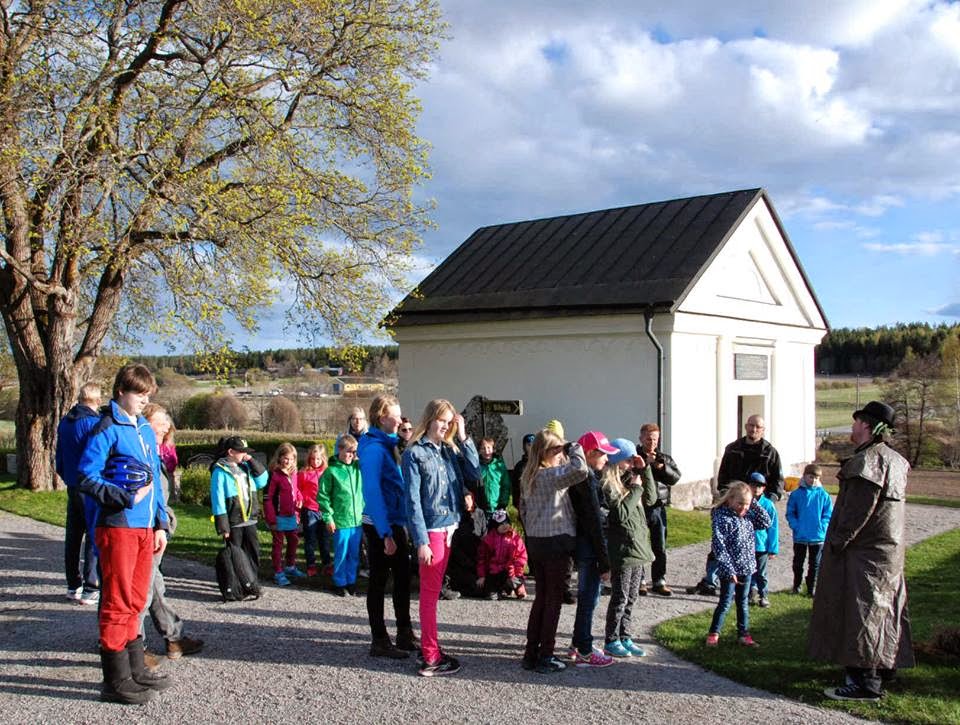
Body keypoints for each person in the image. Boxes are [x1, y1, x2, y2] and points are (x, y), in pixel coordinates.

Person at [77, 364, 171, 704]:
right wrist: (124, 497)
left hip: (145, 528)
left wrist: (160, 523)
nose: (144, 400)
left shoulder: (144, 428)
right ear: (120, 391)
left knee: (135, 599)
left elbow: (154, 478)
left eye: (148, 394)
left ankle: (135, 668)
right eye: (138, 393)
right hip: (118, 525)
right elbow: (86, 476)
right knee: (117, 601)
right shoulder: (107, 427)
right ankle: (115, 681)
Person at [809, 401, 913, 702]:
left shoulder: (867, 462)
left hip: (864, 554)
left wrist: (838, 542)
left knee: (862, 613)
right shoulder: (896, 461)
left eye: (856, 422)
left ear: (866, 425)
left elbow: (856, 512)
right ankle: (885, 668)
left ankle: (865, 682)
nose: (852, 427)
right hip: (887, 553)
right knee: (885, 610)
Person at [403, 398, 479, 677]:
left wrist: (464, 437)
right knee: (429, 596)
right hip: (432, 531)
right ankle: (431, 657)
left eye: (449, 421)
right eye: (441, 420)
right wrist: (421, 541)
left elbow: (474, 474)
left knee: (432, 594)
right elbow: (412, 501)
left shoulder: (448, 450)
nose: (445, 426)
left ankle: (430, 649)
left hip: (450, 528)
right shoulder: (415, 453)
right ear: (430, 419)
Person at [139, 405, 203, 667]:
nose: (166, 426)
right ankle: (134, 648)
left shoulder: (156, 452)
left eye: (167, 422)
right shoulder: (142, 452)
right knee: (143, 591)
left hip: (156, 528)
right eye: (160, 421)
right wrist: (159, 525)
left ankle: (173, 638)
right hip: (145, 530)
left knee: (154, 586)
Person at [691, 415, 784, 595]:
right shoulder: (733, 449)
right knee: (720, 545)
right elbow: (723, 476)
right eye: (751, 425)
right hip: (731, 504)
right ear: (746, 426)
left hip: (754, 506)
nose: (754, 429)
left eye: (758, 427)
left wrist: (768, 501)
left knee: (752, 548)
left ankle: (751, 586)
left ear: (763, 430)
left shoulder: (770, 452)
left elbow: (777, 481)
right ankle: (711, 581)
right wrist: (726, 498)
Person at [520, 430, 587, 673]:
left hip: (536, 541)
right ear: (546, 452)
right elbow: (581, 470)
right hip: (556, 541)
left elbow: (523, 511)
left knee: (541, 597)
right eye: (557, 450)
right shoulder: (551, 476)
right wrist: (573, 447)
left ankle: (531, 652)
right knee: (553, 601)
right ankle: (546, 654)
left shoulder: (528, 477)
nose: (561, 454)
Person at [357, 395, 418, 659]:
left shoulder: (390, 444)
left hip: (395, 520)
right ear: (382, 418)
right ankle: (379, 639)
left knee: (403, 579)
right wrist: (385, 534)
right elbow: (372, 492)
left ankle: (404, 632)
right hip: (381, 524)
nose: (401, 419)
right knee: (379, 582)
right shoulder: (373, 449)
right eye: (396, 415)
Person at [602, 438, 656, 658]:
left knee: (631, 597)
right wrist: (635, 489)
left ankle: (625, 636)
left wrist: (646, 471)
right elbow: (620, 515)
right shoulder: (610, 485)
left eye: (633, 461)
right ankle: (611, 639)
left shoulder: (632, 479)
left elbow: (651, 498)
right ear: (617, 461)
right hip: (623, 550)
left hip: (638, 547)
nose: (631, 464)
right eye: (628, 460)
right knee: (620, 597)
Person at [567, 431, 617, 668]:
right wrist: (604, 561)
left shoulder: (585, 477)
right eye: (603, 454)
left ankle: (578, 643)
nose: (606, 459)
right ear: (589, 453)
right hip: (589, 546)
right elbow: (594, 522)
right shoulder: (586, 480)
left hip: (585, 544)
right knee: (589, 599)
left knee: (588, 598)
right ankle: (585, 649)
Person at [704, 482, 771, 648]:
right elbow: (719, 547)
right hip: (729, 570)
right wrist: (728, 569)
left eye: (746, 504)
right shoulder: (722, 518)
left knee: (743, 602)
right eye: (740, 503)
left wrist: (753, 503)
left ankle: (743, 634)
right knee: (725, 602)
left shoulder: (748, 516)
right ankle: (713, 634)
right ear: (730, 500)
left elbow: (766, 522)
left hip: (746, 567)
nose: (743, 507)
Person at [56, 382, 102, 605]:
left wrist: (67, 477)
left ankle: (73, 584)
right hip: (90, 485)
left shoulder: (65, 422)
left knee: (73, 537)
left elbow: (59, 457)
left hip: (73, 484)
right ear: (97, 400)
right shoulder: (93, 424)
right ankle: (91, 586)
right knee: (93, 536)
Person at [210, 436, 269, 571]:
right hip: (234, 522)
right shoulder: (219, 472)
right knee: (235, 554)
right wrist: (223, 527)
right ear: (231, 452)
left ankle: (252, 578)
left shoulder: (247, 467)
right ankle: (236, 580)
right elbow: (218, 500)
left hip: (250, 520)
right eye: (242, 451)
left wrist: (251, 461)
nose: (245, 454)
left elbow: (262, 480)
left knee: (252, 553)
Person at [636, 423, 681, 596]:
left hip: (658, 506)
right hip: (638, 506)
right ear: (641, 438)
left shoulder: (663, 458)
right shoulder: (634, 456)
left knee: (659, 545)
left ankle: (659, 580)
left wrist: (661, 467)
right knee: (638, 543)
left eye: (655, 439)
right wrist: (642, 465)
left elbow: (675, 478)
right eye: (649, 439)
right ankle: (639, 580)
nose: (652, 443)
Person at [318, 434, 364, 596]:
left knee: (353, 554)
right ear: (340, 450)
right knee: (341, 554)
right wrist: (328, 518)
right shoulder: (331, 472)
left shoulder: (358, 468)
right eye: (348, 451)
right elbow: (323, 497)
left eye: (354, 452)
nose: (351, 455)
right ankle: (339, 582)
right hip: (341, 520)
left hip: (357, 521)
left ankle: (351, 581)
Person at [786, 463, 833, 596]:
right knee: (798, 562)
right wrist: (795, 526)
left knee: (815, 564)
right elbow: (790, 513)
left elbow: (828, 514)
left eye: (816, 478)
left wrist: (822, 526)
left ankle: (811, 587)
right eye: (811, 477)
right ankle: (797, 585)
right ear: (804, 476)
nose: (813, 480)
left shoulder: (824, 495)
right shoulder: (796, 494)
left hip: (817, 536)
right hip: (800, 535)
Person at [264, 443, 305, 586]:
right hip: (278, 516)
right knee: (278, 544)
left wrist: (299, 498)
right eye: (286, 458)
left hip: (291, 515)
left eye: (292, 459)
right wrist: (271, 519)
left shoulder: (293, 473)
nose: (289, 461)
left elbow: (295, 489)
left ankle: (290, 566)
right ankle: (278, 572)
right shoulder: (274, 475)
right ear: (279, 457)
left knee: (293, 540)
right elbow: (268, 498)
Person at [476, 509, 527, 600]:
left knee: (515, 580)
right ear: (495, 526)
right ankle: (499, 590)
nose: (504, 526)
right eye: (501, 524)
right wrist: (482, 576)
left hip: (510, 571)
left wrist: (518, 572)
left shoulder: (515, 538)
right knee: (491, 595)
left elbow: (521, 557)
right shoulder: (488, 540)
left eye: (506, 523)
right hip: (493, 573)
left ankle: (518, 588)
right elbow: (482, 559)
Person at [297, 443, 330, 577]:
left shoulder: (327, 472)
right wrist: (301, 499)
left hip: (324, 510)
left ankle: (327, 564)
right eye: (313, 459)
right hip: (310, 510)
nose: (315, 462)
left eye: (318, 459)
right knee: (310, 539)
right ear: (309, 459)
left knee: (324, 539)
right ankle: (311, 565)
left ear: (323, 459)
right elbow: (297, 489)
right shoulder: (304, 473)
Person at [747, 473, 778, 608]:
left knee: (761, 573)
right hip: (746, 545)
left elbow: (773, 527)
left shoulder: (768, 505)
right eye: (753, 485)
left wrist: (773, 548)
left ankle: (763, 595)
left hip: (761, 545)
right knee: (747, 572)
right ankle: (749, 594)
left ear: (764, 488)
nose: (756, 489)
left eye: (759, 486)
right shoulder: (744, 501)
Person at [475, 437, 511, 514]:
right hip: (482, 508)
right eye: (483, 448)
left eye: (489, 448)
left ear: (493, 449)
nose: (486, 451)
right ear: (479, 450)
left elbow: (505, 485)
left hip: (498, 507)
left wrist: (503, 503)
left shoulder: (499, 466)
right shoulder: (477, 467)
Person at [509, 433, 535, 518]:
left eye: (533, 445)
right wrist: (517, 504)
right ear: (524, 447)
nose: (531, 447)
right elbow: (515, 487)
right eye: (529, 445)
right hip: (524, 505)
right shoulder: (519, 466)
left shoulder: (541, 464)